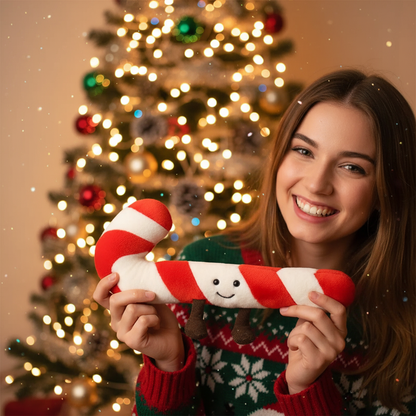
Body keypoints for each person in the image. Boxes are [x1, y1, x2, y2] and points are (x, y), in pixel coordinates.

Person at [93, 69, 416, 416]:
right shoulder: (204, 264)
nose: (317, 184)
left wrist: (306, 392)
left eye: (352, 167)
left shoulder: (404, 324)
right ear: (280, 157)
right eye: (304, 151)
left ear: (387, 189)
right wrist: (169, 363)